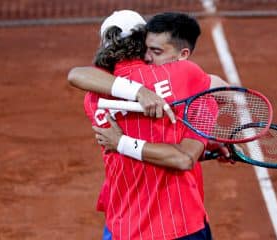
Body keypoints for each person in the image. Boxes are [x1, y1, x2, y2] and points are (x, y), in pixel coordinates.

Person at [69, 10, 226, 239]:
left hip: (124, 225)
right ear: (143, 40)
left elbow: (76, 74)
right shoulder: (182, 75)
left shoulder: (93, 98)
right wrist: (201, 139)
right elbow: (221, 88)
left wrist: (122, 142)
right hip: (180, 223)